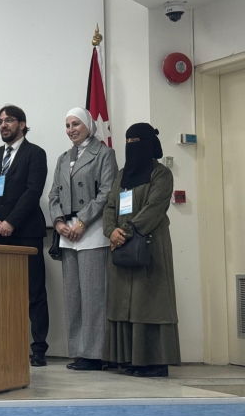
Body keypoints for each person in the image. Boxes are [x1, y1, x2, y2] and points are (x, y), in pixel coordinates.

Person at [103, 123, 180, 377]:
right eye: (128, 141)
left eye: (137, 141)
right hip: (120, 247)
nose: (131, 146)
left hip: (150, 245)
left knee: (149, 301)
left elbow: (155, 207)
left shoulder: (162, 174)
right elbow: (110, 205)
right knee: (122, 302)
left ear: (149, 144)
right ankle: (129, 358)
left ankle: (155, 362)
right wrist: (110, 231)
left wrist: (125, 231)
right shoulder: (122, 175)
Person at [48, 108, 118, 371]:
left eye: (76, 124)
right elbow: (53, 195)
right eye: (67, 125)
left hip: (92, 230)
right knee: (73, 296)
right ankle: (79, 350)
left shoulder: (104, 154)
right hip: (67, 233)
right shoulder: (63, 157)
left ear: (88, 124)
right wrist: (58, 222)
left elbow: (107, 192)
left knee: (93, 295)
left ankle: (96, 353)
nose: (71, 130)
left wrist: (83, 221)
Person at [0, 104, 49, 366]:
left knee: (34, 293)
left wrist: (11, 222)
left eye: (8, 120)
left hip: (25, 233)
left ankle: (39, 348)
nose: (3, 125)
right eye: (0, 121)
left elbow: (33, 191)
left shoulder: (35, 153)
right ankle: (3, 345)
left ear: (22, 124)